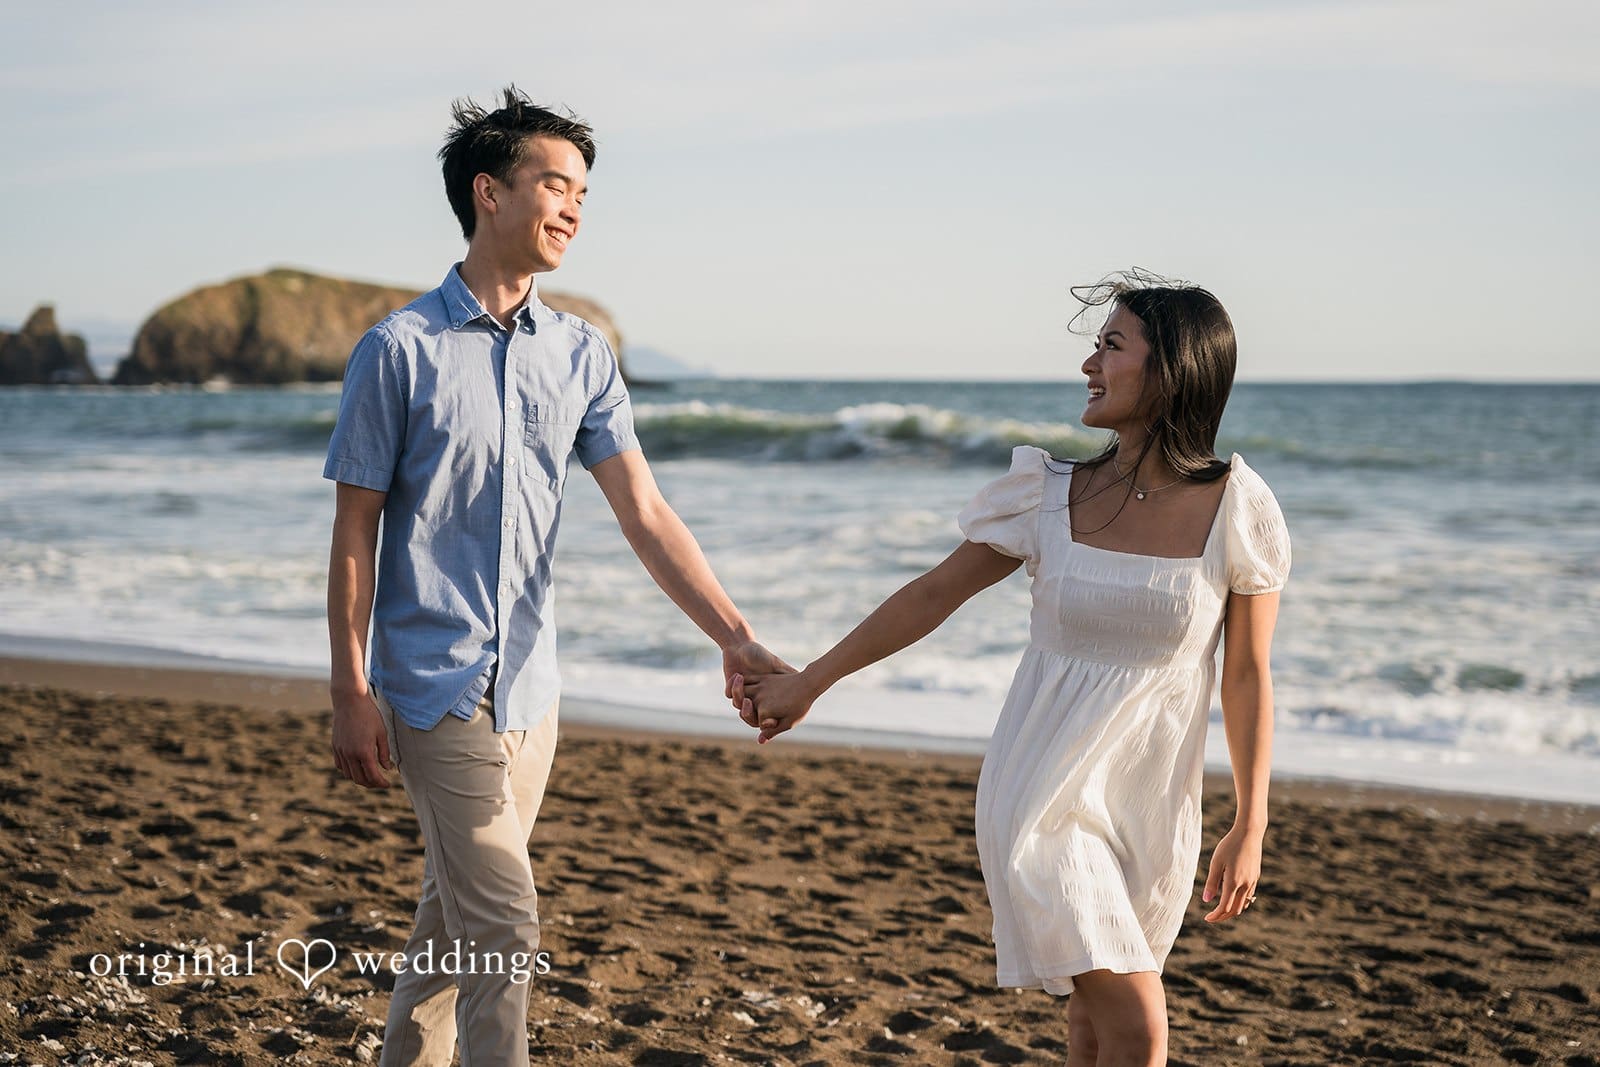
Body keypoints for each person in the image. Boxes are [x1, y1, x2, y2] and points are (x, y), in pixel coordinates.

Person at [324, 87, 786, 1067]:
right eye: (554, 184)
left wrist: (734, 634)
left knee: (455, 925)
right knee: (503, 925)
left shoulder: (582, 355)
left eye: (583, 191)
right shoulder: (397, 351)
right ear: (488, 192)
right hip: (433, 685)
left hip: (533, 693)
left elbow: (645, 512)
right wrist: (348, 687)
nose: (573, 207)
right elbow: (354, 530)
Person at [731, 272, 1289, 1067]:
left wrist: (1251, 821)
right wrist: (808, 681)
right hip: (1040, 793)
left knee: (1095, 1025)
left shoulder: (1240, 507)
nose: (1089, 365)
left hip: (1152, 803)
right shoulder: (1047, 493)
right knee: (1137, 1022)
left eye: (1111, 346)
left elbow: (1247, 676)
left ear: (1171, 370)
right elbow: (930, 595)